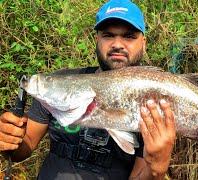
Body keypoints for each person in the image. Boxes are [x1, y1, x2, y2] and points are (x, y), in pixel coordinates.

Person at [0, 0, 176, 179]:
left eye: (129, 36)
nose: (117, 44)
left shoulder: (155, 96)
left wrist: (157, 168)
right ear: (97, 39)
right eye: (108, 35)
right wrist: (10, 139)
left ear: (143, 43)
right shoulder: (60, 81)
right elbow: (23, 149)